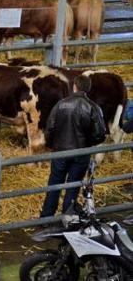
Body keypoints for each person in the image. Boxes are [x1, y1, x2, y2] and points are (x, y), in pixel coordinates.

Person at [40, 75, 107, 218]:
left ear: (74, 86)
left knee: (54, 184)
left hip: (60, 152)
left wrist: (53, 146)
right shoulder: (93, 107)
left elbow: (49, 129)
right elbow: (100, 134)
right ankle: (68, 217)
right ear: (88, 89)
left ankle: (45, 218)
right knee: (73, 186)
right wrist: (87, 143)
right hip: (81, 154)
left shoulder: (60, 104)